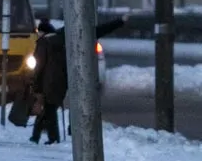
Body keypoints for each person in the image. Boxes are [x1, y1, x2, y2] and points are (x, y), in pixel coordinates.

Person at [27, 15, 129, 144]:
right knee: (54, 108)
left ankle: (49, 138)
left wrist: (34, 84)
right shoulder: (66, 36)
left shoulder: (43, 43)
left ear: (42, 32)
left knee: (48, 109)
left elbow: (39, 67)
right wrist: (119, 22)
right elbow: (98, 30)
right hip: (66, 79)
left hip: (48, 81)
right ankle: (47, 135)